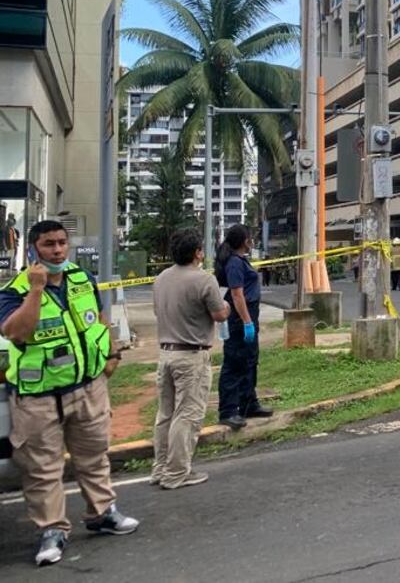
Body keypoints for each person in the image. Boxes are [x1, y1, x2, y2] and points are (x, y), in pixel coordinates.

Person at [0, 220, 139, 566]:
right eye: (49, 244)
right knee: (43, 468)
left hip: (87, 388)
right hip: (38, 397)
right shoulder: (13, 290)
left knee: (94, 456)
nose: (58, 250)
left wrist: (111, 355)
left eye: (62, 242)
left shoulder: (81, 279)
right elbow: (16, 332)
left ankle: (102, 513)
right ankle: (52, 531)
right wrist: (36, 290)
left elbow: (100, 319)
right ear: (34, 248)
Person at [151, 228, 229, 490]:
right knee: (187, 415)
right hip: (191, 355)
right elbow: (219, 314)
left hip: (166, 353)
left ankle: (160, 468)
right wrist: (226, 307)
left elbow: (156, 311)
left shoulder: (161, 278)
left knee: (165, 414)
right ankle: (176, 472)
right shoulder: (204, 280)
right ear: (197, 252)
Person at [216, 224, 271, 429]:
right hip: (241, 319)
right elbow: (237, 295)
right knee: (234, 363)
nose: (252, 240)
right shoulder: (234, 264)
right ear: (244, 240)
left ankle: (249, 403)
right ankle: (228, 410)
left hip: (249, 316)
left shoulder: (241, 260)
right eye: (250, 237)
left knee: (250, 360)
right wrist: (247, 321)